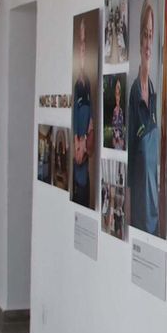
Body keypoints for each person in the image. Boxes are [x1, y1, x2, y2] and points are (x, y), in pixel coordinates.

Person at [127, 0, 160, 234]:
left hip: (154, 200)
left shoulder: (155, 91)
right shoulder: (134, 92)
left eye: (151, 35)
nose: (149, 42)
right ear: (140, 40)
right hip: (139, 200)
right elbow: (129, 151)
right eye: (145, 35)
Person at [72, 18, 96, 208]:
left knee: (83, 185)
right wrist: (77, 141)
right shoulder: (78, 85)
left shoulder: (86, 83)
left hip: (84, 138)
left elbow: (91, 116)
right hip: (79, 137)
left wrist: (87, 136)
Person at [109, 77, 125, 152]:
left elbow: (122, 143)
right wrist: (115, 135)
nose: (117, 97)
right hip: (116, 141)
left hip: (120, 140)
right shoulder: (114, 110)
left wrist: (119, 137)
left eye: (118, 94)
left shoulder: (121, 111)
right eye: (116, 94)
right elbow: (113, 126)